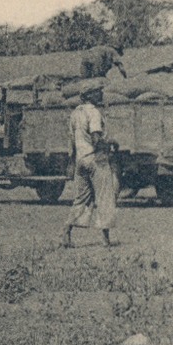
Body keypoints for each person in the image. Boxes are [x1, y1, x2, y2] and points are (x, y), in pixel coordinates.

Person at [62, 85, 117, 248]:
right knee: (105, 197)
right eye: (97, 92)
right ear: (90, 96)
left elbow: (72, 141)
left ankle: (67, 230)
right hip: (95, 159)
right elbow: (96, 139)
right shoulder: (93, 112)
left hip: (81, 160)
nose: (101, 94)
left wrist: (72, 162)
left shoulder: (75, 113)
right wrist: (111, 144)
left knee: (80, 199)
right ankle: (106, 239)